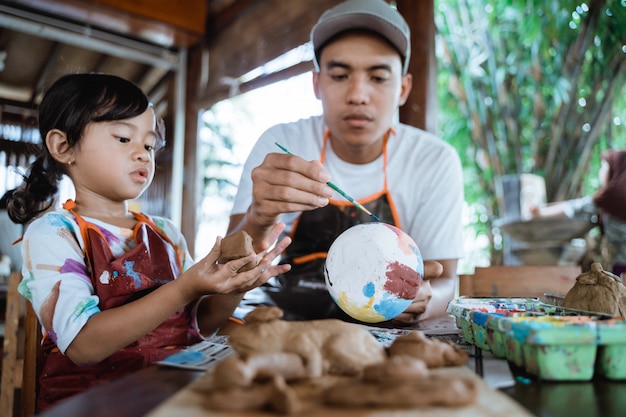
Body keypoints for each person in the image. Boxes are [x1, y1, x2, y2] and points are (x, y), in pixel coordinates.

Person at [6, 73, 292, 411]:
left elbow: (196, 325)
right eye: (124, 138)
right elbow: (83, 344)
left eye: (149, 144)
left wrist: (233, 288)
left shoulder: (166, 233)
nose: (143, 154)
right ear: (63, 146)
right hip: (88, 404)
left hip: (167, 396)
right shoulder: (55, 232)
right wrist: (185, 288)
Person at [227, 0, 464, 324]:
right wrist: (259, 216)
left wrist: (425, 300)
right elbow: (228, 268)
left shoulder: (432, 160)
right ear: (316, 84)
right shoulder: (281, 147)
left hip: (383, 334)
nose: (358, 94)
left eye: (378, 78)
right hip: (281, 325)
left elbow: (446, 282)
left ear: (403, 88)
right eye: (339, 75)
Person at [531, 150, 626, 278]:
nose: (601, 172)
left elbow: (575, 207)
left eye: (604, 166)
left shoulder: (612, 196)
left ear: (617, 167)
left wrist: (541, 212)